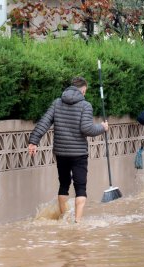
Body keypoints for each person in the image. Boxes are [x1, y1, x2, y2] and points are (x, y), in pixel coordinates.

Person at [28, 77, 109, 223]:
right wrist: (102, 128)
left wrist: (34, 141)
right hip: (78, 153)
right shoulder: (85, 105)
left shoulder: (57, 103)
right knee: (80, 187)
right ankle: (77, 222)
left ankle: (64, 219)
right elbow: (87, 129)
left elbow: (44, 122)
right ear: (83, 89)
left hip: (61, 152)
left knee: (64, 184)